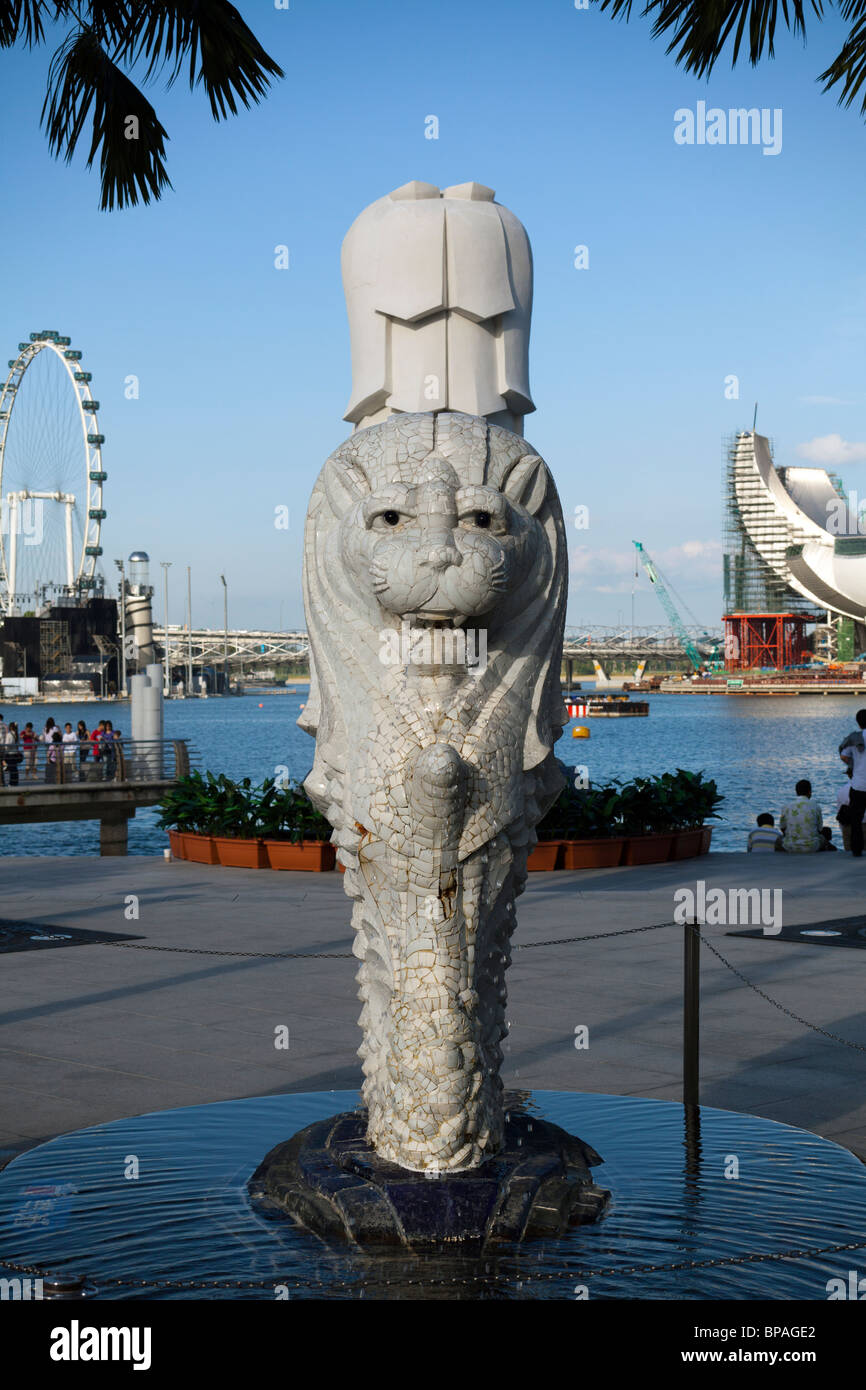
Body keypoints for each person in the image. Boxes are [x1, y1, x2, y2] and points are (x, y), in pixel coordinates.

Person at [840, 709, 866, 857]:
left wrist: (854, 764)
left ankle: (857, 850)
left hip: (858, 785)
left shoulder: (853, 738)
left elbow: (843, 756)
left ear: (858, 722)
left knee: (856, 819)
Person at [779, 779, 824, 853]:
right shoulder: (816, 806)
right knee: (823, 838)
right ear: (810, 792)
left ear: (796, 792)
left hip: (790, 846)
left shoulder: (786, 806)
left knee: (778, 839)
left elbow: (782, 827)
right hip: (811, 847)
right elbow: (820, 829)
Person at [3, 721, 22, 787]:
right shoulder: (17, 734)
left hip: (10, 754)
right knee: (14, 769)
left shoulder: (9, 734)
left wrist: (5, 748)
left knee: (11, 769)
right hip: (15, 753)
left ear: (10, 727)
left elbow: (7, 745)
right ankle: (15, 782)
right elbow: (18, 744)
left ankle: (11, 783)